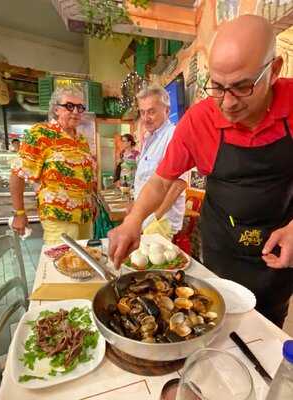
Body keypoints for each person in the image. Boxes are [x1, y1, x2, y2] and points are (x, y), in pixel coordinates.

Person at [108, 15, 293, 328]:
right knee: (214, 318)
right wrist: (133, 220)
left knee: (268, 327)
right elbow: (160, 180)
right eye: (218, 87)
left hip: (280, 248)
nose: (228, 102)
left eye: (242, 87)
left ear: (273, 70)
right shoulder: (199, 120)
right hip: (222, 247)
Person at [9, 86, 96, 244]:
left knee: (84, 263)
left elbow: (86, 178)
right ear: (56, 109)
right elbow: (17, 173)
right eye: (69, 106)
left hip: (85, 216)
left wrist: (93, 203)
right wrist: (19, 212)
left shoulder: (82, 141)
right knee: (61, 262)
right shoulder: (40, 134)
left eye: (80, 107)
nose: (76, 111)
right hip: (58, 215)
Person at [134, 84, 187, 240]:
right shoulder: (150, 138)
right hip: (147, 219)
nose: (145, 118)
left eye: (151, 111)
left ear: (167, 111)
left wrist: (155, 218)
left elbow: (179, 184)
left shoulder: (174, 136)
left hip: (161, 223)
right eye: (142, 112)